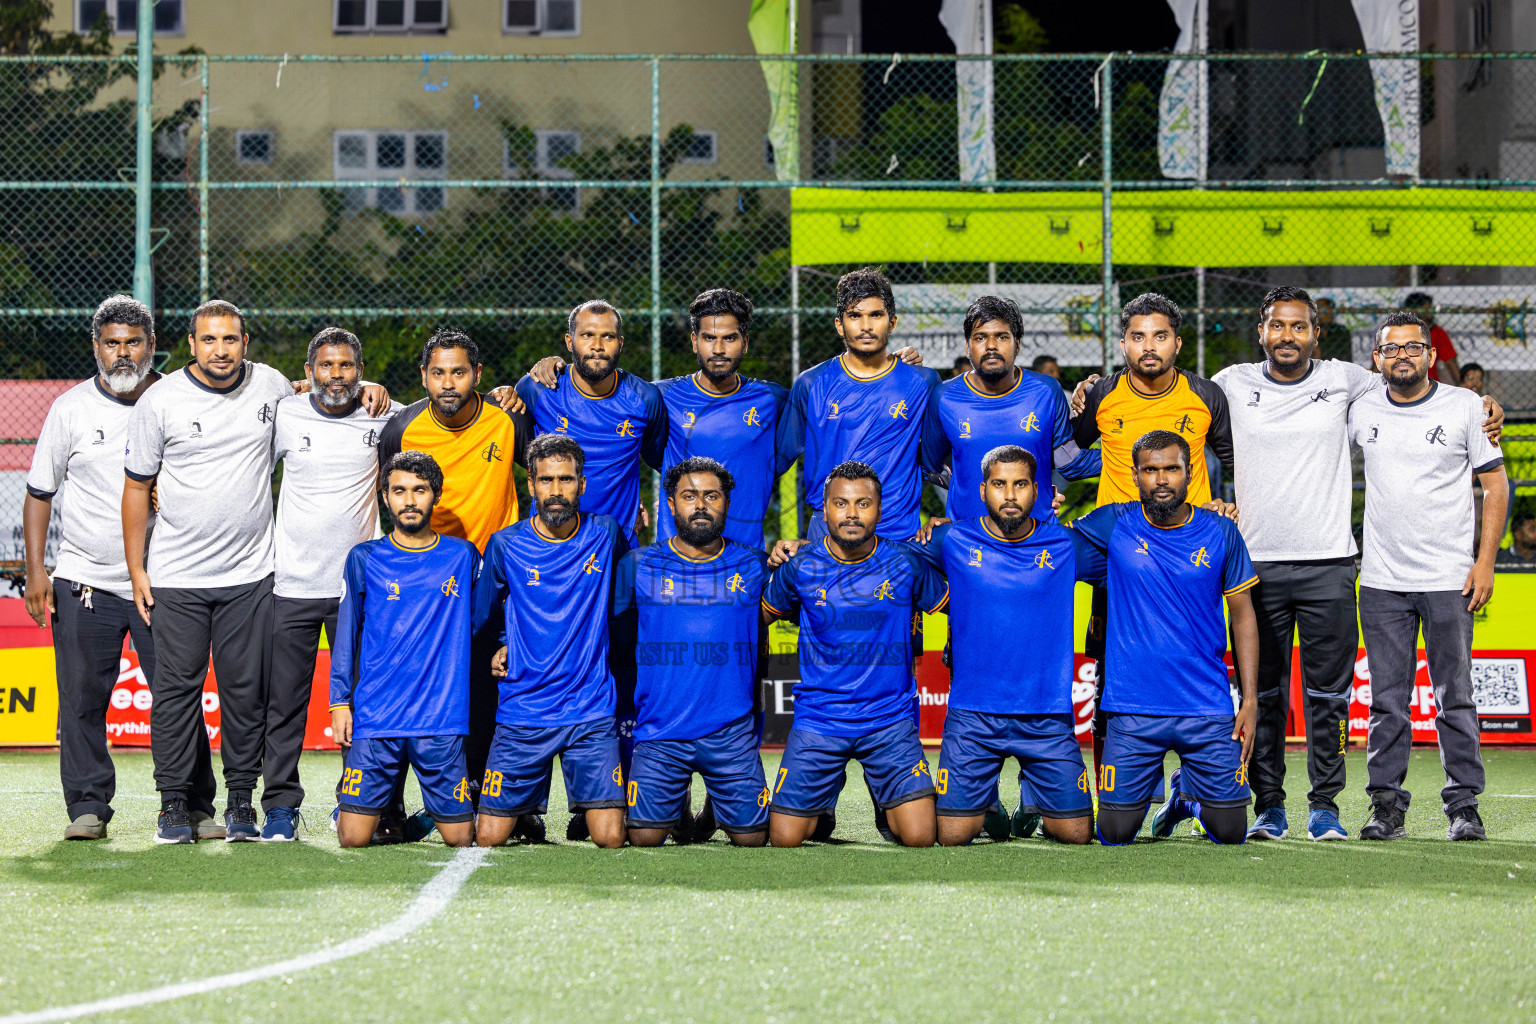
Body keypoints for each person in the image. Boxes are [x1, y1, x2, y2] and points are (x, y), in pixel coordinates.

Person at [1213, 286, 1504, 842]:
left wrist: (1484, 407)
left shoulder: (1352, 382)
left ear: (1316, 334)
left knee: (1344, 699)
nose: (1288, 336)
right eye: (1278, 326)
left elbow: (1437, 408)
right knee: (1271, 696)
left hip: (1341, 565)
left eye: (1300, 327)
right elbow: (1176, 424)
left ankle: (1339, 807)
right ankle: (1277, 806)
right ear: (1262, 331)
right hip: (1266, 566)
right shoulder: (1231, 383)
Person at [120, 300, 296, 844]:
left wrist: (370, 391)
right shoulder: (161, 399)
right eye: (210, 340)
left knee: (246, 693)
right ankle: (174, 805)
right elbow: (134, 488)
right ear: (192, 344)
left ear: (246, 342)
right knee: (176, 692)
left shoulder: (271, 388)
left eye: (231, 339)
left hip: (249, 576)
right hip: (176, 576)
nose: (221, 350)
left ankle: (241, 800)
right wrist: (136, 570)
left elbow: (321, 405)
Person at [1350, 311, 1509, 842]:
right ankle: (1385, 808)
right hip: (1380, 579)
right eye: (1391, 349)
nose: (1402, 356)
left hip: (1448, 577)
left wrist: (1483, 562)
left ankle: (1463, 806)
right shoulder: (1361, 406)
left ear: (1431, 355)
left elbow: (1496, 484)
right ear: (1377, 359)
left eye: (1412, 347)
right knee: (1387, 701)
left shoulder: (1466, 407)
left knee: (1454, 695)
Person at [1069, 292, 1236, 782]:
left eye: (1159, 336)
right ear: (1123, 343)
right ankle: (1119, 789)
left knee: (1197, 662)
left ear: (1177, 343)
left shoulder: (1205, 396)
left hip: (1190, 555)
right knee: (1108, 671)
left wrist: (1228, 505)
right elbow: (1063, 452)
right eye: (1138, 336)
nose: (1149, 345)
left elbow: (1239, 462)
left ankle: (1197, 781)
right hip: (1120, 556)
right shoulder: (1102, 395)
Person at [1069, 430, 1260, 846]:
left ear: (1190, 472)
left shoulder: (1221, 531)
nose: (1161, 479)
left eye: (1171, 468)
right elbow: (1040, 547)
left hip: (1205, 705)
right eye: (1150, 470)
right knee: (1115, 834)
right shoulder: (1113, 524)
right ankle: (1174, 794)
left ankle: (1185, 799)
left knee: (1231, 833)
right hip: (1133, 707)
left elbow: (1243, 617)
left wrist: (1249, 700)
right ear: (1135, 475)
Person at [376, 329, 531, 826]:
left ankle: (507, 804)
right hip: (425, 586)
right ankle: (391, 805)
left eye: (459, 372)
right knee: (414, 687)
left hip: (498, 581)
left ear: (478, 376)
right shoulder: (402, 428)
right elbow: (393, 502)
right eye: (438, 372)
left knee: (493, 688)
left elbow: (547, 473)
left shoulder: (509, 420)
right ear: (423, 376)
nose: (448, 383)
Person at [23, 296, 161, 841]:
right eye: (112, 343)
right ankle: (87, 807)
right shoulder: (70, 408)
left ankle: (189, 804)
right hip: (83, 580)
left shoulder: (174, 398)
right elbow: (39, 493)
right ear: (96, 348)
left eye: (133, 342)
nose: (123, 353)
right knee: (81, 700)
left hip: (161, 580)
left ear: (150, 345)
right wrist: (37, 571)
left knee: (175, 696)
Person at [760, 462, 949, 848]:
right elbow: (760, 617)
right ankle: (824, 797)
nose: (851, 514)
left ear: (879, 509)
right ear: (824, 509)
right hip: (820, 721)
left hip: (888, 721)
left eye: (863, 504)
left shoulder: (905, 562)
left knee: (921, 837)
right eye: (840, 504)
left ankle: (885, 799)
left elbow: (957, 608)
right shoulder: (800, 566)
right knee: (784, 839)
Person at [264, 327, 403, 841]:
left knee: (367, 703)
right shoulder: (285, 413)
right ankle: (280, 806)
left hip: (357, 592)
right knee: (284, 704)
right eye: (326, 366)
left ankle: (363, 800)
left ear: (360, 372)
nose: (336, 376)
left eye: (346, 366)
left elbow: (438, 412)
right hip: (292, 585)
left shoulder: (383, 412)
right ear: (309, 372)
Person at [917, 446, 1096, 846]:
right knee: (950, 836)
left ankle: (1033, 801)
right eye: (999, 484)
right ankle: (989, 806)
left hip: (1045, 717)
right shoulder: (951, 538)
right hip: (973, 718)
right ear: (983, 491)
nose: (1010, 495)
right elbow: (889, 559)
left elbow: (1137, 539)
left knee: (1077, 835)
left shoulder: (1066, 545)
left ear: (1040, 491)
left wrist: (1207, 510)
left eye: (1020, 484)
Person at [472, 435, 629, 849]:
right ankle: (522, 809)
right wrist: (500, 646)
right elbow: (481, 617)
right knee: (488, 838)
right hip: (524, 707)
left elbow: (623, 606)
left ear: (582, 483)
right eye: (546, 481)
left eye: (566, 480)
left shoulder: (607, 534)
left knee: (611, 838)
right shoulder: (506, 544)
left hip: (589, 709)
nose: (556, 491)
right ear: (530, 485)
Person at [613, 457, 772, 847]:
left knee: (752, 840)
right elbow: (614, 638)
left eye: (711, 496)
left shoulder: (753, 564)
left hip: (730, 732)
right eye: (689, 496)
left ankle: (718, 806)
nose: (700, 505)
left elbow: (764, 637)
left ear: (727, 503)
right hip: (661, 730)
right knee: (643, 838)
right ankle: (677, 801)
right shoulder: (638, 565)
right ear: (671, 504)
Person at [329, 451, 478, 849]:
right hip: (379, 716)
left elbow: (486, 620)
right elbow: (347, 635)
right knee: (353, 839)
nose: (409, 500)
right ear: (385, 497)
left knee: (461, 838)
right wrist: (339, 702)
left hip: (440, 718)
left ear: (436, 496)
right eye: (399, 491)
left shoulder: (463, 557)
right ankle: (351, 806)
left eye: (419, 490)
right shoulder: (364, 558)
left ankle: (433, 811)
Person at [777, 267, 943, 543]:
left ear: (892, 322)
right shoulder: (811, 383)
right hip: (828, 534)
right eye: (855, 315)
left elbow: (943, 457)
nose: (866, 326)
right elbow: (773, 461)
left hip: (898, 533)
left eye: (876, 315)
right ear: (839, 324)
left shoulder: (923, 382)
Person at [922, 295, 1097, 527]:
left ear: (1018, 344)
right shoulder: (944, 397)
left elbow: (1068, 460)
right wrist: (966, 493)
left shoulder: (1046, 390)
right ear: (967, 347)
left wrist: (1134, 457)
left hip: (1037, 535)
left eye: (1002, 337)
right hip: (969, 540)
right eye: (980, 337)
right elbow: (931, 467)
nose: (991, 346)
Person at [515, 300, 666, 549]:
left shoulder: (645, 398)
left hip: (619, 544)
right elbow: (517, 447)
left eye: (608, 336)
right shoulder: (537, 388)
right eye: (587, 335)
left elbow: (660, 460)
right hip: (550, 541)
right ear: (569, 341)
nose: (597, 346)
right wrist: (501, 391)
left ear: (621, 342)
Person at [650, 290, 788, 550]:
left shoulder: (773, 399)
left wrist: (889, 365)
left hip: (745, 558)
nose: (719, 349)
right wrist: (556, 370)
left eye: (730, 338)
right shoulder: (661, 397)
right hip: (674, 558)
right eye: (709, 338)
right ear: (694, 341)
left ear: (745, 342)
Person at [1402, 292, 1461, 384]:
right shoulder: (1398, 332)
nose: (1431, 311)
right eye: (1427, 308)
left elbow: (1451, 362)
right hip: (1401, 385)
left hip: (1429, 386)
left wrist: (1463, 387)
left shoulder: (1437, 332)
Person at [1312, 297, 1354, 363]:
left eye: (1321, 308)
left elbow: (1345, 357)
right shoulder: (1311, 332)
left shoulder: (1341, 331)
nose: (1318, 313)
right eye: (1316, 309)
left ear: (1331, 311)